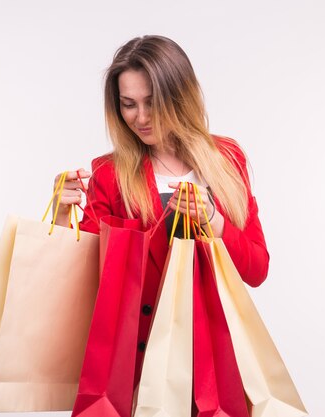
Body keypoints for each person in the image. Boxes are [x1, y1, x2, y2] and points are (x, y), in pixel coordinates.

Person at [53, 35, 269, 386]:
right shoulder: (110, 174)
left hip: (217, 363)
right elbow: (82, 281)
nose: (140, 118)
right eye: (128, 104)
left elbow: (256, 269)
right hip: (139, 365)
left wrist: (212, 219)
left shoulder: (226, 160)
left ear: (179, 95)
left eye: (152, 102)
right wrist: (63, 217)